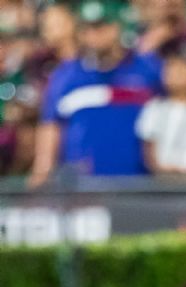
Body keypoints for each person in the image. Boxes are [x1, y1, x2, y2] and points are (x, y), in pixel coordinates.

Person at [28, 0, 163, 187]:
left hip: (139, 186)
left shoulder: (148, 69)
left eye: (101, 26)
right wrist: (42, 171)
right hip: (82, 189)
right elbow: (50, 127)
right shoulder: (66, 76)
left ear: (118, 26)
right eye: (87, 28)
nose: (93, 35)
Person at [137, 52, 186, 175]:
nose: (175, 75)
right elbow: (148, 147)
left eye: (181, 70)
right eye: (170, 71)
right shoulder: (155, 108)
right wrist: (161, 169)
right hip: (162, 179)